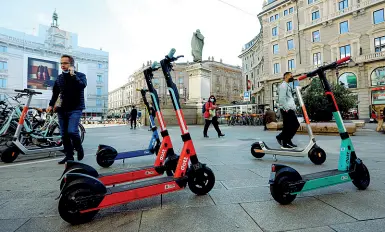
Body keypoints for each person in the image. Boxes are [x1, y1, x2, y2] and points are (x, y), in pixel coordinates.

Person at [47, 54, 87, 164]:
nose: (62, 65)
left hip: (75, 108)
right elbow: (55, 94)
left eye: (65, 63)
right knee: (64, 134)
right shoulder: (59, 78)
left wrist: (72, 74)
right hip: (61, 109)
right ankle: (69, 156)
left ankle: (79, 148)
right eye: (61, 63)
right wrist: (51, 105)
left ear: (71, 64)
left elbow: (81, 86)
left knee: (72, 131)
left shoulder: (80, 75)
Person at [276, 72, 299, 149]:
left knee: (288, 126)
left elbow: (291, 96)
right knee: (294, 125)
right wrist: (287, 109)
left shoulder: (288, 86)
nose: (292, 77)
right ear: (286, 77)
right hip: (287, 109)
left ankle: (286, 140)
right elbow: (282, 98)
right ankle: (284, 140)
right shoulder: (283, 85)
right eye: (290, 76)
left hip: (289, 109)